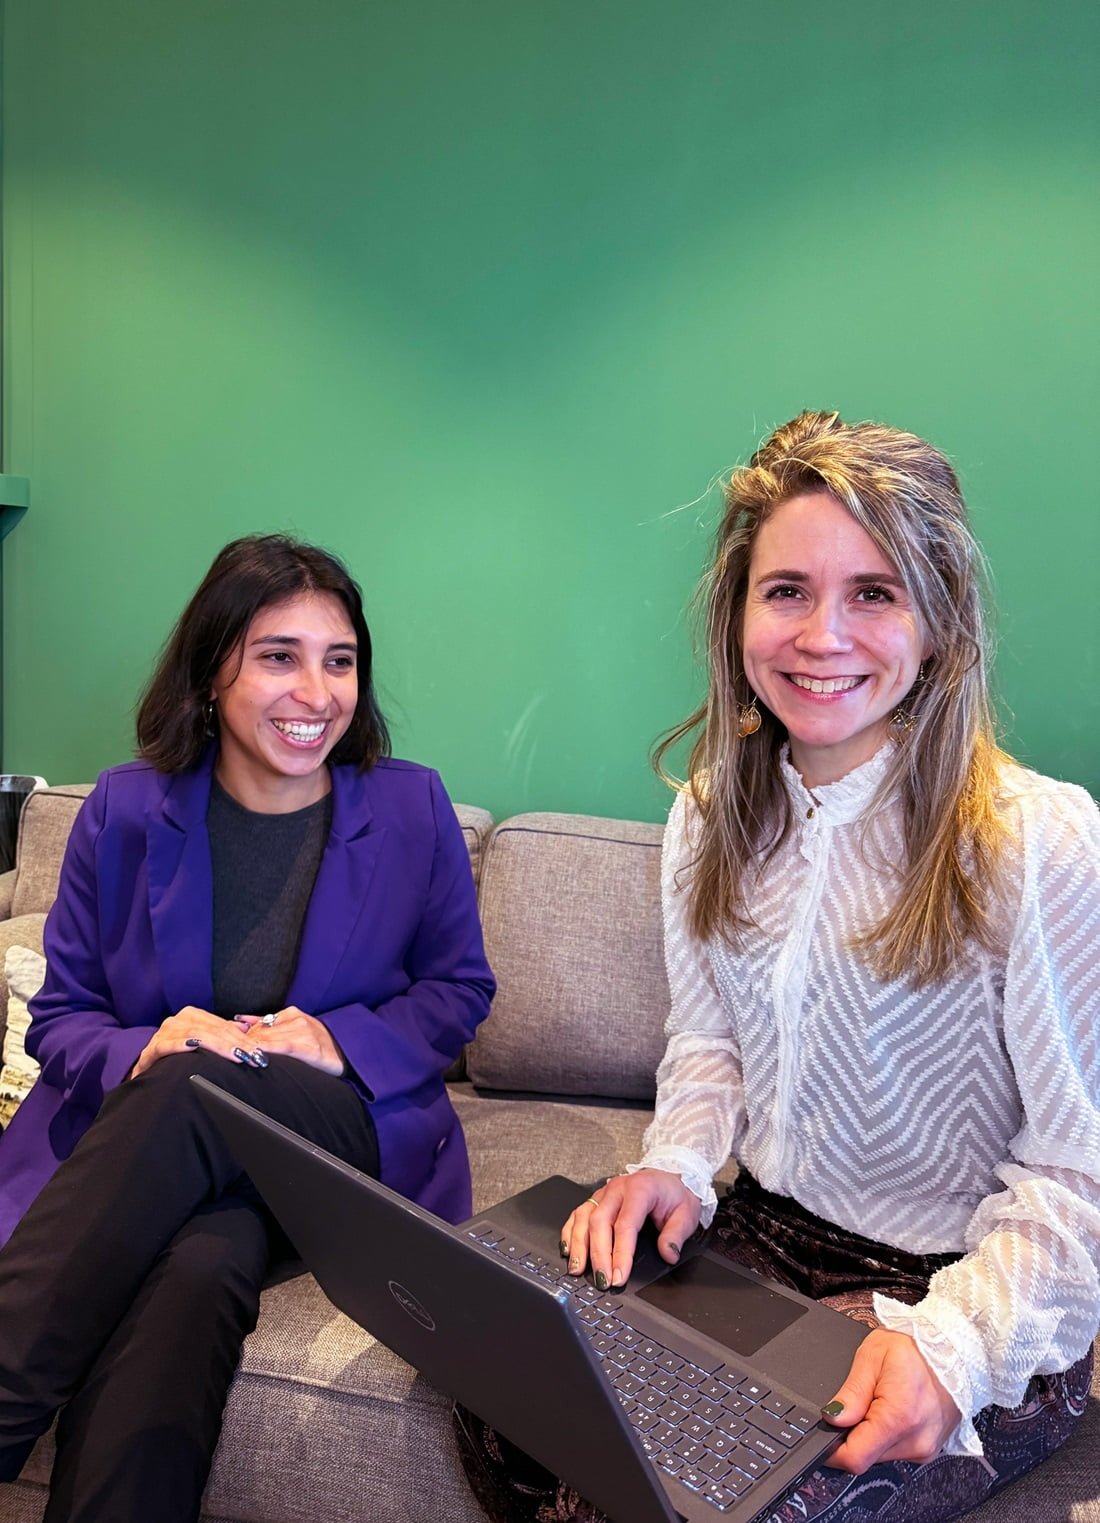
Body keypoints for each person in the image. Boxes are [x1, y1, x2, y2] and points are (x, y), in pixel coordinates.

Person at [454, 411, 1100, 1523]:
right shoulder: (710, 815)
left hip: (960, 1277)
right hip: (763, 1228)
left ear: (939, 620)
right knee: (503, 1385)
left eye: (874, 593)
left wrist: (950, 1347)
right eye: (787, 590)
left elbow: (1079, 1174)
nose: (821, 634)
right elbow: (709, 1043)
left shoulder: (1036, 841)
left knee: (701, 1499)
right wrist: (675, 1165)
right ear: (737, 615)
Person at [0, 533, 495, 1522]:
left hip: (335, 1131)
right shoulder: (125, 809)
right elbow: (60, 1018)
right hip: (161, 1151)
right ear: (211, 670)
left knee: (199, 1081)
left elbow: (458, 989)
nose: (316, 691)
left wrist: (336, 1041)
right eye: (278, 656)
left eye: (339, 660)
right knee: (202, 1262)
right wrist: (143, 1045)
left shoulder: (409, 805)